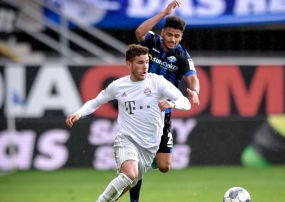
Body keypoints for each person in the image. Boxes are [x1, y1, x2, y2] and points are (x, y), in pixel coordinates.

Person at [65, 44, 191, 202]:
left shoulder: (158, 82)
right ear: (129, 64)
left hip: (149, 147)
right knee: (130, 174)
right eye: (140, 62)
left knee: (125, 184)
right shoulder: (118, 86)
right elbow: (96, 102)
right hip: (126, 140)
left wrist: (173, 104)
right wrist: (78, 113)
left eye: (146, 62)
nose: (145, 66)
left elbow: (186, 102)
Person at [130, 0, 200, 201]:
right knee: (138, 161)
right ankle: (134, 199)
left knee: (164, 167)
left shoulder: (182, 56)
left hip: (163, 115)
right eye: (169, 34)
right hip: (140, 110)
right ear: (163, 32)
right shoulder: (151, 41)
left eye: (177, 36)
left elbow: (193, 77)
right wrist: (163, 13)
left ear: (181, 37)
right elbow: (139, 32)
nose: (172, 39)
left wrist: (193, 91)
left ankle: (150, 158)